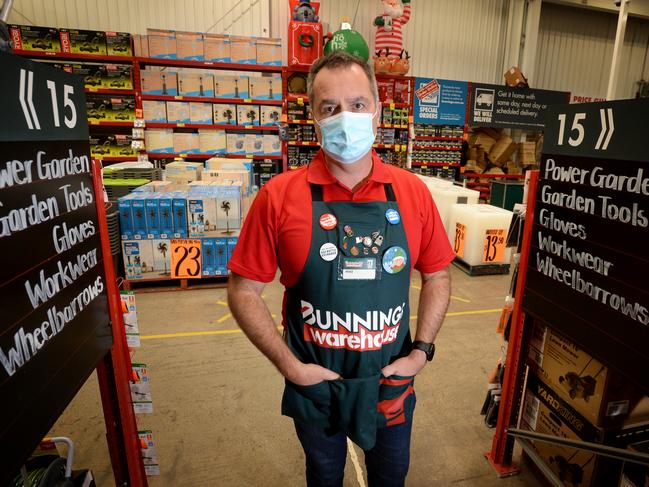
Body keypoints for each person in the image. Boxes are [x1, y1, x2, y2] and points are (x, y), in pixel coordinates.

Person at [227, 51, 454, 487]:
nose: (345, 117)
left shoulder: (412, 192)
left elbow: (438, 274)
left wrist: (421, 351)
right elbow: (243, 291)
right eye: (329, 108)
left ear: (377, 111)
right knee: (324, 475)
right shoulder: (278, 197)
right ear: (313, 118)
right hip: (316, 386)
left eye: (357, 105)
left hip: (389, 383)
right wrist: (292, 368)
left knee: (391, 476)